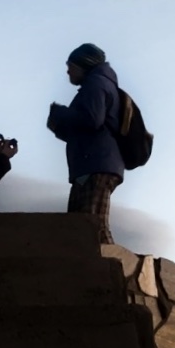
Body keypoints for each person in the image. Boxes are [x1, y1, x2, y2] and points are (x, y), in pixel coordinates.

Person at [45, 42, 125, 244]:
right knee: (80, 225)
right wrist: (60, 125)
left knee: (91, 226)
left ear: (83, 64)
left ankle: (112, 271)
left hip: (96, 165)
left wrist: (61, 114)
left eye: (70, 66)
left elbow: (92, 120)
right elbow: (85, 127)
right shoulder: (97, 84)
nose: (68, 71)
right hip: (90, 165)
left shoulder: (96, 83)